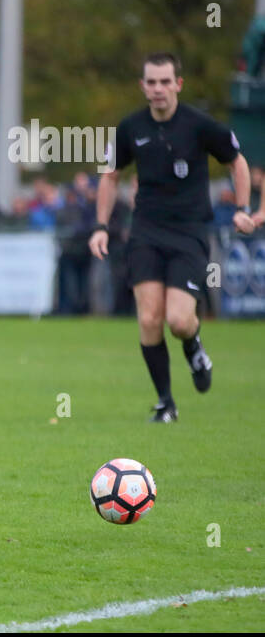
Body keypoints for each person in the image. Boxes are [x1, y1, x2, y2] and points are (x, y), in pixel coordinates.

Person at [90, 52, 256, 422]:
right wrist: (100, 227)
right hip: (146, 232)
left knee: (179, 320)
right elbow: (110, 174)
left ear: (177, 84)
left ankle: (193, 346)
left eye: (165, 81)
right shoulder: (131, 127)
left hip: (189, 232)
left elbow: (236, 161)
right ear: (143, 86)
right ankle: (166, 402)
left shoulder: (200, 125)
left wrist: (243, 208)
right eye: (151, 82)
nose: (158, 89)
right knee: (149, 319)